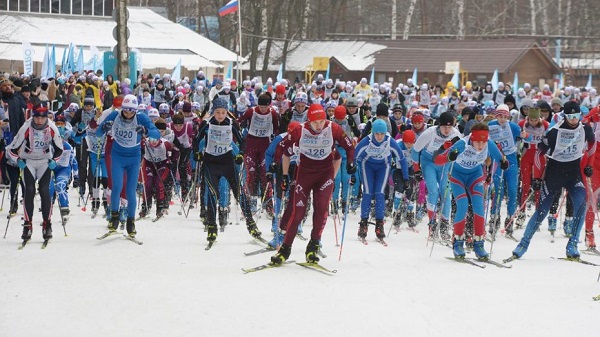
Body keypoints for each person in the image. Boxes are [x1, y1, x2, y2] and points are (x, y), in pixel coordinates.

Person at [270, 104, 355, 264]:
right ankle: (284, 250)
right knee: (298, 214)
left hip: (325, 174)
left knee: (321, 208)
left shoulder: (333, 128)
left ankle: (312, 247)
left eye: (321, 121)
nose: (319, 126)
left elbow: (349, 146)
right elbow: (282, 146)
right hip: (305, 174)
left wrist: (351, 163)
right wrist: (275, 163)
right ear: (309, 121)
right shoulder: (300, 130)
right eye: (315, 122)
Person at [511, 101, 595, 260]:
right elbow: (538, 154)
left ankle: (573, 244)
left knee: (581, 204)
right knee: (542, 211)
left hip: (573, 173)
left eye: (576, 116)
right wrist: (536, 177)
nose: (573, 119)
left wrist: (589, 164)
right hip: (554, 174)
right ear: (565, 116)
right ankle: (523, 243)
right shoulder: (554, 132)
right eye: (570, 116)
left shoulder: (585, 129)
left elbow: (592, 144)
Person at [433, 123, 509, 259]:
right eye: (477, 142)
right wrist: (449, 156)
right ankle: (458, 243)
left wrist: (504, 163)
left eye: (483, 142)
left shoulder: (489, 144)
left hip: (475, 176)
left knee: (479, 207)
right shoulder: (462, 144)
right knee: (462, 206)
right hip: (458, 177)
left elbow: (501, 159)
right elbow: (438, 159)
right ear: (472, 139)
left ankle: (479, 244)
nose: (480, 146)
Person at [193, 97, 263, 243]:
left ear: (227, 112)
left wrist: (240, 155)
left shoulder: (231, 123)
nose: (220, 115)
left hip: (227, 162)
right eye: (217, 112)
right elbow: (196, 139)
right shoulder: (206, 124)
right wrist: (197, 153)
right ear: (213, 112)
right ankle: (212, 227)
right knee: (212, 194)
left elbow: (243, 141)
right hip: (210, 163)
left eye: (223, 112)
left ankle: (251, 224)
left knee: (239, 194)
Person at [94, 94, 160, 237]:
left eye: (132, 110)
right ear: (122, 108)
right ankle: (115, 217)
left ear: (135, 110)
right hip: (117, 156)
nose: (128, 113)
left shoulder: (141, 117)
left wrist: (146, 131)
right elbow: (98, 133)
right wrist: (104, 127)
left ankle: (131, 222)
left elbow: (157, 134)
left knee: (131, 190)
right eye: (126, 110)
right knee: (116, 186)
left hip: (134, 158)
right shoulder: (115, 115)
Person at [8, 105, 63, 242]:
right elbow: (12, 149)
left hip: (45, 161)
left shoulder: (52, 128)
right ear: (33, 117)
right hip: (29, 161)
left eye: (42, 117)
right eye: (37, 117)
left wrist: (54, 161)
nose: (39, 120)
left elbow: (60, 149)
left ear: (46, 117)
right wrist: (18, 160)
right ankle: (27, 225)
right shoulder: (26, 127)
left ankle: (47, 224)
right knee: (29, 190)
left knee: (44, 190)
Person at [355, 119, 408, 240]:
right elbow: (355, 154)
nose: (379, 137)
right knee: (368, 192)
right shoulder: (367, 140)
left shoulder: (390, 141)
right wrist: (352, 171)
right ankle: (363, 223)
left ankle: (379, 224)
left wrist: (405, 178)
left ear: (385, 133)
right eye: (377, 134)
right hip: (367, 165)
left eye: (382, 134)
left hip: (383, 166)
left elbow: (401, 159)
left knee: (379, 193)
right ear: (373, 133)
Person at [411, 112, 461, 240]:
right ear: (439, 126)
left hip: (445, 165)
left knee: (445, 191)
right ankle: (432, 225)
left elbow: (462, 151)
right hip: (429, 163)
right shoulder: (430, 132)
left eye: (449, 127)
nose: (447, 130)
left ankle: (444, 225)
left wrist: (456, 155)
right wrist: (416, 169)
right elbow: (415, 150)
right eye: (444, 127)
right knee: (433, 191)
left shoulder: (455, 134)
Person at [487, 104, 522, 237]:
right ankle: (494, 218)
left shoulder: (512, 126)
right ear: (496, 116)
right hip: (497, 160)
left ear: (508, 117)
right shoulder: (491, 124)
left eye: (505, 116)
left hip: (511, 162)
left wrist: (525, 135)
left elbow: (527, 137)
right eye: (500, 116)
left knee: (513, 191)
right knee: (498, 191)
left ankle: (510, 218)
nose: (502, 119)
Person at [515, 108, 549, 227]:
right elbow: (516, 138)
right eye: (531, 119)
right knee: (525, 185)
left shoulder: (545, 124)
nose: (533, 122)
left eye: (535, 120)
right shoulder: (522, 123)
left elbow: (549, 140)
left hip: (539, 155)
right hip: (526, 154)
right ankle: (522, 213)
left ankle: (537, 215)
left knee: (538, 185)